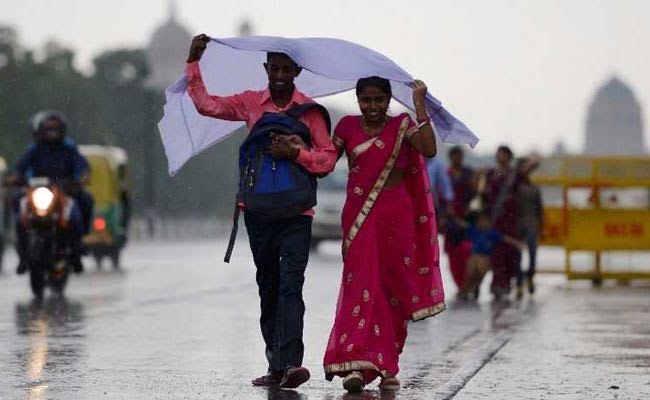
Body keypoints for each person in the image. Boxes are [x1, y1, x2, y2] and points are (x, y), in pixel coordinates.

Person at [185, 34, 336, 389]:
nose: (280, 74)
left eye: (287, 69)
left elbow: (327, 159)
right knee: (268, 286)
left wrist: (296, 154)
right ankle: (275, 364)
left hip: (297, 215)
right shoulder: (251, 103)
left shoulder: (310, 113)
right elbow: (207, 105)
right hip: (260, 213)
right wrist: (194, 63)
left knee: (291, 287)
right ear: (266, 69)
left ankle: (291, 365)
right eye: (275, 68)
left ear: (297, 71)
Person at [323, 76, 445, 393]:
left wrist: (419, 105)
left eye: (379, 100)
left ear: (389, 101)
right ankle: (357, 364)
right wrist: (298, 146)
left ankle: (388, 365)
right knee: (361, 286)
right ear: (358, 100)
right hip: (360, 216)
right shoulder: (346, 128)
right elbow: (323, 164)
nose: (373, 107)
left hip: (397, 217)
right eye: (367, 100)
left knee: (392, 290)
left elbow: (429, 148)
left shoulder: (402, 126)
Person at [6, 110, 93, 274]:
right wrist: (14, 178)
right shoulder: (34, 149)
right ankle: (23, 253)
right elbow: (20, 168)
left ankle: (77, 248)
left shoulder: (69, 148)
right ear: (39, 131)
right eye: (48, 130)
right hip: (37, 191)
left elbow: (82, 167)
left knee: (84, 201)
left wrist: (80, 179)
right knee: (18, 202)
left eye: (55, 129)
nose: (52, 133)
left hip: (64, 191)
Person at [482, 146, 538, 299]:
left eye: (504, 154)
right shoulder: (490, 173)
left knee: (511, 253)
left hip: (511, 219)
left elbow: (534, 163)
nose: (500, 157)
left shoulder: (514, 174)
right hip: (495, 218)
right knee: (497, 253)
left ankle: (507, 284)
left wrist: (525, 160)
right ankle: (497, 285)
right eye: (498, 154)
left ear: (509, 157)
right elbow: (484, 195)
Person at [456, 211, 523, 300]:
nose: (482, 223)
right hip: (474, 256)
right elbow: (462, 224)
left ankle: (474, 288)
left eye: (484, 221)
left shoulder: (492, 233)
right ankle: (465, 290)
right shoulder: (474, 230)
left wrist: (517, 244)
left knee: (479, 273)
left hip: (485, 258)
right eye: (480, 221)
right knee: (470, 274)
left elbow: (505, 238)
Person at [444, 146, 475, 291]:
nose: (458, 159)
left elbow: (475, 193)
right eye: (455, 156)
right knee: (453, 254)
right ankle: (460, 285)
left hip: (467, 217)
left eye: (460, 156)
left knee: (468, 251)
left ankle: (469, 283)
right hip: (451, 219)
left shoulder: (469, 173)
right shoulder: (445, 174)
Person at [516, 158, 543, 295]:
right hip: (518, 226)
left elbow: (540, 209)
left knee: (532, 254)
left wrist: (540, 226)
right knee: (518, 257)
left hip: (532, 225)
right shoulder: (515, 188)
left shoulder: (534, 188)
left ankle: (530, 277)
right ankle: (519, 282)